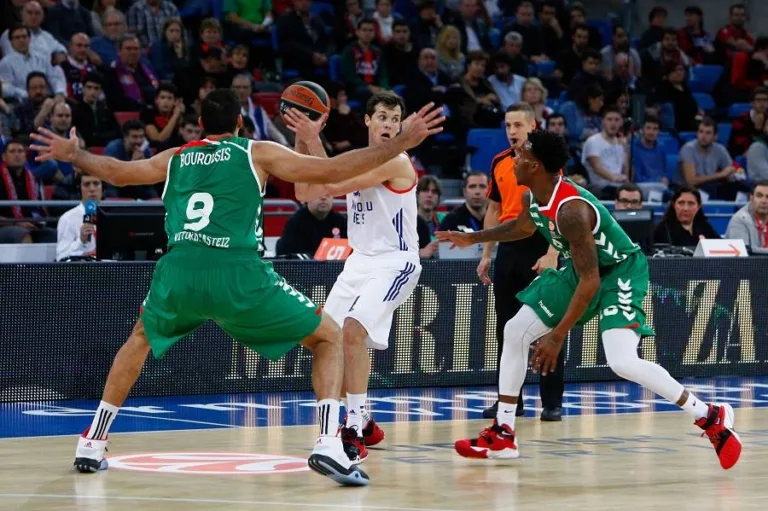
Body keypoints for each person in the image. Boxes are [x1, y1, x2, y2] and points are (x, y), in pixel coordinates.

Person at [30, 89, 444, 486]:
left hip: (180, 271)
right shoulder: (256, 151)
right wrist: (403, 140)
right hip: (239, 274)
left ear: (198, 125)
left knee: (138, 339)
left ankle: (92, 441)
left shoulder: (176, 156)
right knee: (329, 336)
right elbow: (334, 172)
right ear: (241, 122)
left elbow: (117, 174)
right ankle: (330, 443)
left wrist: (76, 156)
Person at [436, 130, 742, 470]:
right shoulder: (532, 195)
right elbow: (522, 229)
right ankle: (504, 432)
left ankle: (708, 415)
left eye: (520, 157)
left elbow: (591, 281)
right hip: (584, 267)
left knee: (621, 361)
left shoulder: (572, 211)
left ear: (535, 166)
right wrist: (474, 238)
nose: (514, 160)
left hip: (620, 271)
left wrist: (557, 334)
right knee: (515, 330)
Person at [287, 91, 422, 464]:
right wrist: (304, 139)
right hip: (359, 260)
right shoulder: (353, 160)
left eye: (395, 120)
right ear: (367, 121)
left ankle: (355, 424)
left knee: (352, 331)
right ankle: (349, 420)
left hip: (396, 261)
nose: (389, 126)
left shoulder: (397, 161)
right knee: (322, 338)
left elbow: (333, 182)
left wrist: (313, 138)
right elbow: (307, 190)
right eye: (382, 117)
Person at [478, 103, 562, 422]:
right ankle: (511, 402)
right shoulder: (500, 161)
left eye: (517, 125)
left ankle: (552, 401)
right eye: (507, 126)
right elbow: (493, 209)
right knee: (506, 328)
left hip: (540, 243)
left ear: (533, 126)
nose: (512, 131)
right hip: (509, 248)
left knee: (546, 325)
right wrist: (487, 253)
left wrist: (553, 252)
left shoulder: (547, 160)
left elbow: (557, 208)